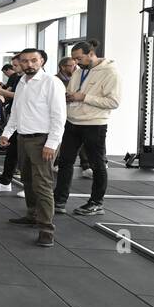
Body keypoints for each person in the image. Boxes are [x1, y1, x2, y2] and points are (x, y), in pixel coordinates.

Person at [0, 48, 65, 248]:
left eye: (33, 61)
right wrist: (7, 133)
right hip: (23, 139)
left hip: (43, 140)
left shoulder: (51, 82)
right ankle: (32, 215)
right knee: (27, 179)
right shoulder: (22, 82)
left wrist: (52, 144)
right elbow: (17, 110)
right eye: (25, 61)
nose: (29, 65)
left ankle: (46, 228)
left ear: (42, 61)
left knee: (43, 184)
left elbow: (59, 116)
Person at [53, 39, 120, 217]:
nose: (75, 63)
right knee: (65, 162)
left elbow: (113, 102)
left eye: (78, 58)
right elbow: (74, 93)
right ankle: (59, 200)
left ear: (91, 54)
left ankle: (97, 203)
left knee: (97, 164)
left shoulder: (110, 72)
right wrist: (69, 97)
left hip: (94, 124)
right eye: (73, 59)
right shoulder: (79, 71)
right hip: (73, 122)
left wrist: (84, 97)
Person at [0, 54, 26, 196]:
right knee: (12, 152)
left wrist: (0, 91)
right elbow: (16, 98)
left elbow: (18, 96)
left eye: (16, 65)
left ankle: (29, 187)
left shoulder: (37, 80)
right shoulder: (19, 78)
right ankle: (5, 182)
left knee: (27, 157)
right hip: (17, 118)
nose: (14, 68)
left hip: (30, 124)